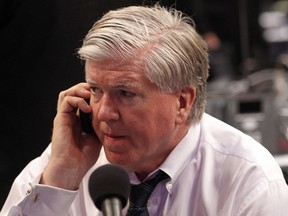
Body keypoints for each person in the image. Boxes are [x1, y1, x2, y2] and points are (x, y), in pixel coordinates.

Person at [1, 4, 288, 216]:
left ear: (182, 102)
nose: (103, 113)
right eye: (96, 91)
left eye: (125, 93)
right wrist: (59, 183)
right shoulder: (65, 160)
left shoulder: (248, 178)